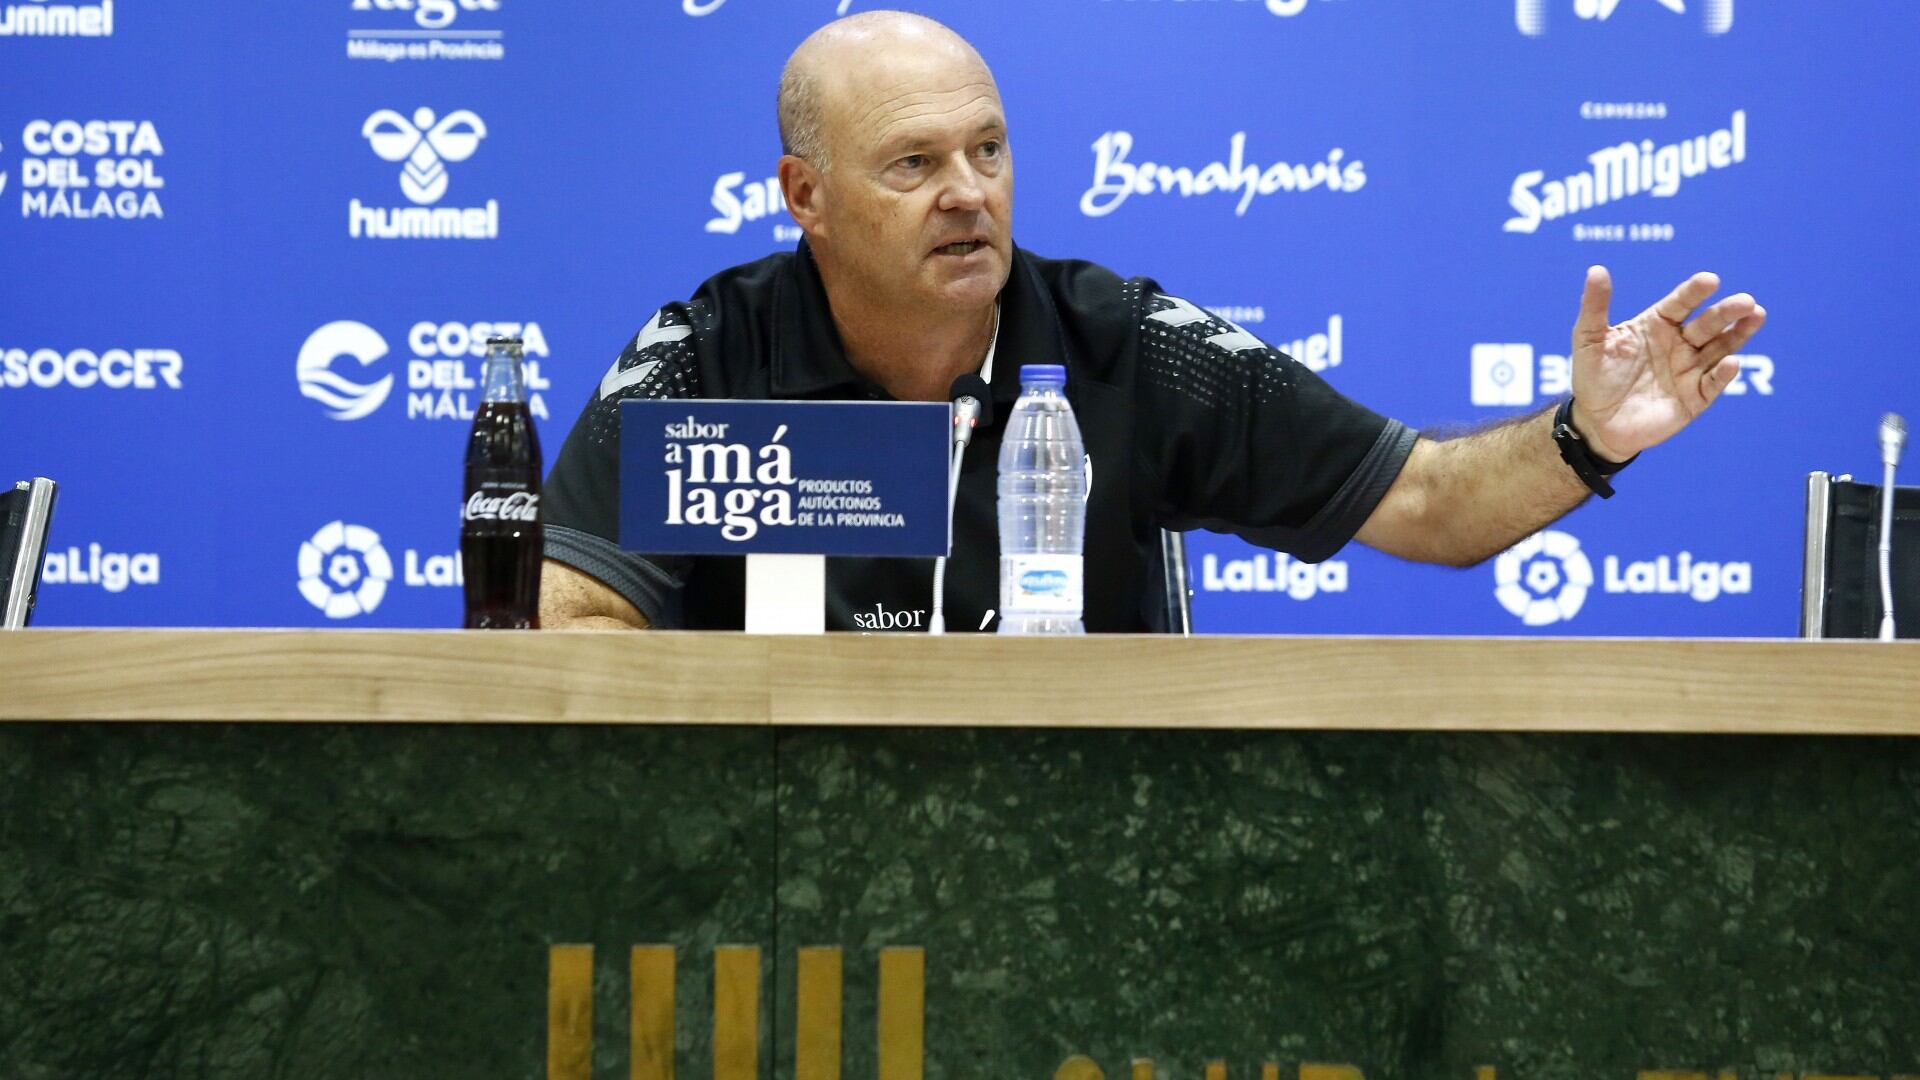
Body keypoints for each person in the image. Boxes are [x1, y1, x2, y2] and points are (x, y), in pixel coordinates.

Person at [537, 10, 1765, 633]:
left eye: (988, 150)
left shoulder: (1126, 344)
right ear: (806, 197)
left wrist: (1584, 438)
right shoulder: (705, 360)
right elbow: (572, 621)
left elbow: (1429, 503)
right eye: (914, 163)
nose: (969, 192)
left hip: (1084, 861)